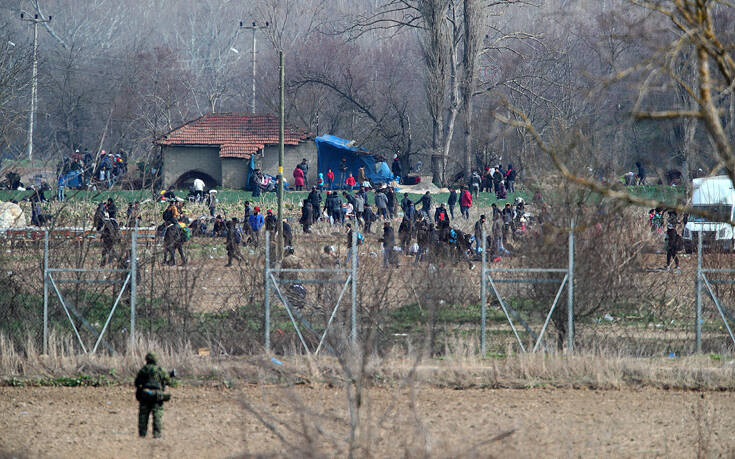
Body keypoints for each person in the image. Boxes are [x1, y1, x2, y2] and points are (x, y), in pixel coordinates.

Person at [135, 352, 174, 438]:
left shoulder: (143, 370)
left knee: (143, 415)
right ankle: (157, 434)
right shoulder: (160, 370)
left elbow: (137, 382)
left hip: (145, 395)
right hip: (157, 395)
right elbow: (169, 381)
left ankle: (142, 433)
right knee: (157, 414)